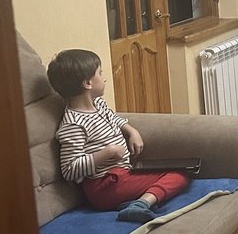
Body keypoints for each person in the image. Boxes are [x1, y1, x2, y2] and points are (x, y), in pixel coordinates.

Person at [46, 49, 190, 222]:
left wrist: (131, 131)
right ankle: (141, 204)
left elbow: (114, 118)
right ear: (87, 83)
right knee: (179, 175)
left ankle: (131, 202)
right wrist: (108, 152)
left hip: (123, 175)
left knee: (181, 169)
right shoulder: (73, 124)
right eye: (100, 73)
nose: (104, 78)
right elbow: (69, 169)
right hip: (104, 186)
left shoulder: (98, 104)